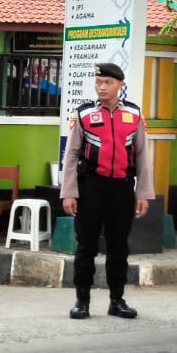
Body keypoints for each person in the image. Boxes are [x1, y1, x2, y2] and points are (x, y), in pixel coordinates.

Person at [60, 62, 155, 320]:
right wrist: (68, 192)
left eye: (108, 83)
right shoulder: (84, 114)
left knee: (118, 247)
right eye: (99, 82)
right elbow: (71, 156)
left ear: (119, 86)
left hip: (122, 188)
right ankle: (82, 301)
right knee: (86, 246)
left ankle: (117, 300)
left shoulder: (133, 115)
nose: (102, 87)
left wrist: (143, 193)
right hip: (90, 186)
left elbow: (143, 156)